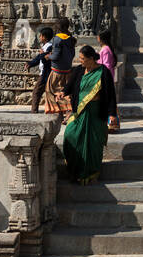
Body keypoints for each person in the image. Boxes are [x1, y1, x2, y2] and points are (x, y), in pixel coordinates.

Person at [61, 45, 117, 184]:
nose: (80, 61)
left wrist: (112, 114)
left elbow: (110, 94)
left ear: (91, 59)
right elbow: (71, 84)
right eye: (80, 58)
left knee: (93, 144)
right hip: (80, 113)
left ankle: (91, 173)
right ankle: (75, 171)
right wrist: (63, 92)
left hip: (96, 113)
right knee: (70, 135)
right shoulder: (79, 70)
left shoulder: (103, 72)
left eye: (82, 59)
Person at [42, 18, 77, 114]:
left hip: (57, 71)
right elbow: (72, 54)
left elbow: (56, 55)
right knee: (65, 91)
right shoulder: (70, 38)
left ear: (58, 27)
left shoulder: (57, 39)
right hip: (67, 70)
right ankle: (66, 111)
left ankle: (59, 109)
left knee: (51, 91)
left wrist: (48, 56)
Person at [26, 26, 54, 113]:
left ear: (45, 37)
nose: (40, 38)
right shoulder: (45, 47)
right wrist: (30, 64)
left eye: (41, 36)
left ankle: (34, 111)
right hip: (44, 72)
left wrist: (42, 54)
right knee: (47, 92)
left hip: (46, 73)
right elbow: (39, 58)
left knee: (36, 92)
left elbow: (45, 58)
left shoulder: (49, 47)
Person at [98, 30, 119, 132]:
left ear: (101, 38)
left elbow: (106, 65)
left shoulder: (105, 50)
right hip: (107, 77)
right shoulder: (107, 48)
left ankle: (110, 126)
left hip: (106, 79)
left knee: (107, 102)